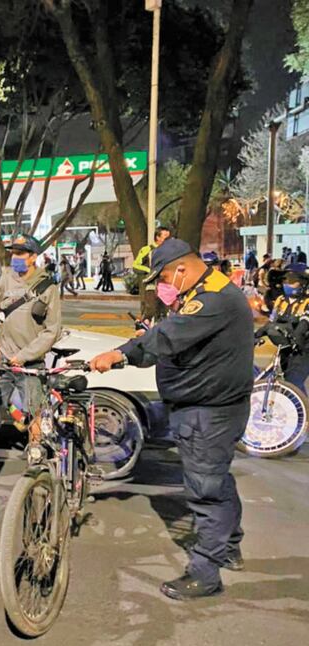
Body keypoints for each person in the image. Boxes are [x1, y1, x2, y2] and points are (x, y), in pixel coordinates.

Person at [90, 238, 253, 600]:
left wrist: (119, 354)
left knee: (205, 491)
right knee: (216, 479)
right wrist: (145, 342)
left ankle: (206, 572)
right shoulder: (209, 291)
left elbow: (170, 336)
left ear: (182, 267)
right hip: (209, 407)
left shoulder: (214, 300)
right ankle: (229, 547)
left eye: (164, 275)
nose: (163, 283)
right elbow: (176, 339)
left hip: (208, 413)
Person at [0, 234, 62, 428]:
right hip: (3, 360)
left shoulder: (48, 287)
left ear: (33, 256)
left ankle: (37, 453)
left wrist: (24, 356)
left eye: (20, 253)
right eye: (13, 253)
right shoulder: (5, 280)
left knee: (35, 415)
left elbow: (52, 330)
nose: (15, 257)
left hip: (31, 364)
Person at [262, 262, 309, 390]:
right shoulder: (280, 300)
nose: (287, 284)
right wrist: (256, 335)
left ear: (303, 282)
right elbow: (272, 321)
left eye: (291, 280)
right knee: (286, 382)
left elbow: (305, 322)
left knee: (294, 383)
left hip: (304, 349)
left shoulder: (307, 301)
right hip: (285, 347)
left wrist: (300, 332)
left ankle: (300, 409)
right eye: (284, 280)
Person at [133, 225, 171, 316]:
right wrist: (149, 270)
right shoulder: (147, 250)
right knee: (150, 312)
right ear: (158, 237)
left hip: (167, 287)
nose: (168, 239)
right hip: (151, 287)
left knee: (166, 313)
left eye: (169, 237)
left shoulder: (170, 251)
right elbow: (135, 266)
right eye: (165, 237)